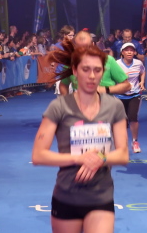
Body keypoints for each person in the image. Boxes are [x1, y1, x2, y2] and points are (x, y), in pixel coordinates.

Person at [32, 43, 129, 233]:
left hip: (101, 196)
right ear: (75, 71)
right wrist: (80, 158)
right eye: (86, 69)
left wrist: (100, 158)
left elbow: (123, 154)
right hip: (67, 196)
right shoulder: (59, 107)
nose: (92, 76)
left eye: (97, 70)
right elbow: (38, 155)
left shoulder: (114, 107)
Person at [59, 30, 131, 96]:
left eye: (86, 46)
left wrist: (105, 89)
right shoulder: (70, 63)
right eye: (79, 48)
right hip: (79, 104)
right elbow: (63, 84)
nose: (83, 50)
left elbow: (127, 86)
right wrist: (66, 101)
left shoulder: (108, 60)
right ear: (74, 47)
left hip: (105, 103)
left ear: (93, 44)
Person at [115, 42, 146, 153]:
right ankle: (122, 144)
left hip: (135, 94)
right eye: (127, 50)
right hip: (119, 95)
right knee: (122, 121)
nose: (129, 52)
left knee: (133, 118)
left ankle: (135, 142)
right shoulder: (116, 64)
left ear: (134, 52)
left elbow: (143, 72)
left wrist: (142, 82)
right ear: (122, 53)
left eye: (131, 50)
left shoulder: (138, 63)